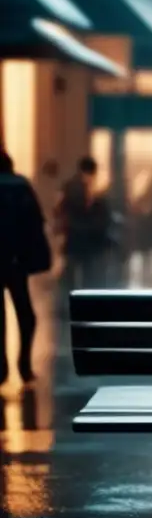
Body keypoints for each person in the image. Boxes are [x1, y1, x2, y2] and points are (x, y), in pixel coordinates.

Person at [0, 153, 50, 383]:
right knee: (26, 314)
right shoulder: (20, 186)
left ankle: (1, 367)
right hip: (15, 261)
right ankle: (24, 363)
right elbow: (36, 222)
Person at [56, 156, 114, 291]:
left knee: (73, 275)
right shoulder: (94, 189)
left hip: (75, 238)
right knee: (89, 276)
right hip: (89, 240)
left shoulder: (69, 187)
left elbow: (61, 211)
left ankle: (70, 301)